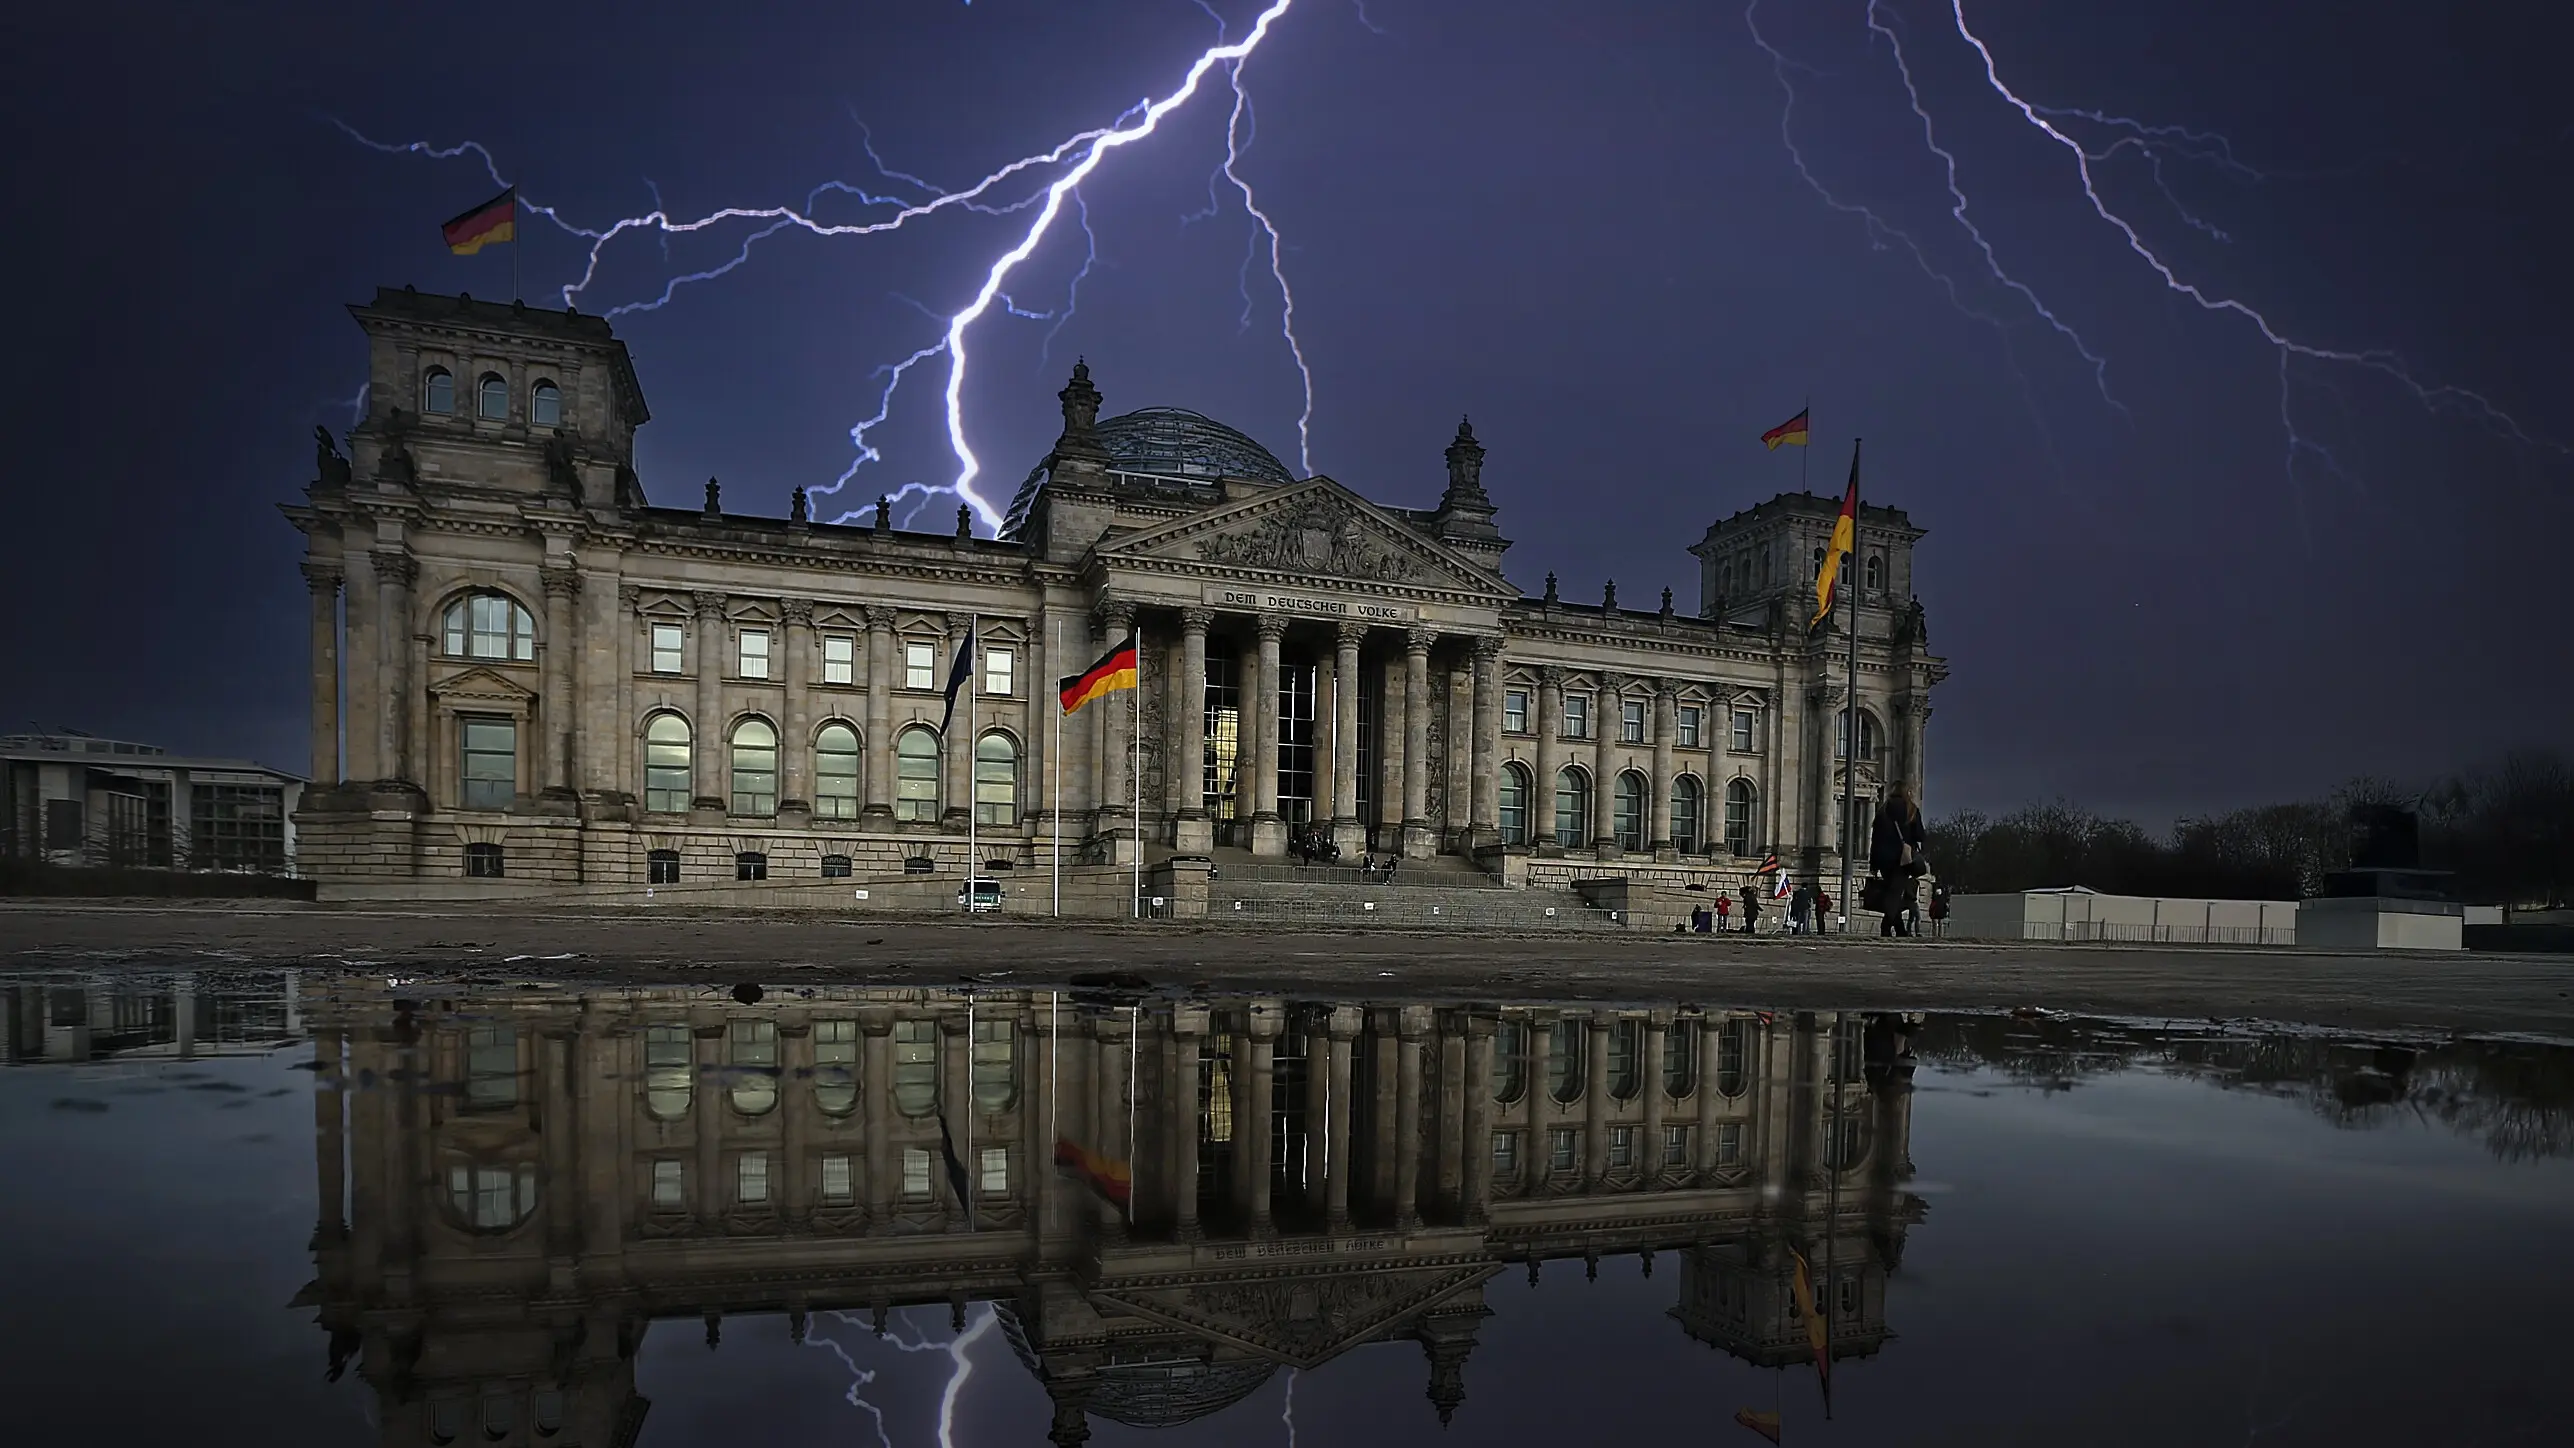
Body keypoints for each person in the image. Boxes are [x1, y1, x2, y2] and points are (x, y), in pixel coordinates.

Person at [1869, 786, 1926, 937]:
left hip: (1883, 859)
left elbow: (1875, 839)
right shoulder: (1911, 809)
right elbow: (1920, 835)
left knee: (1892, 891)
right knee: (1895, 894)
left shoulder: (1883, 811)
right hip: (1902, 858)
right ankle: (1886, 926)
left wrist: (1873, 863)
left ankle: (1900, 929)